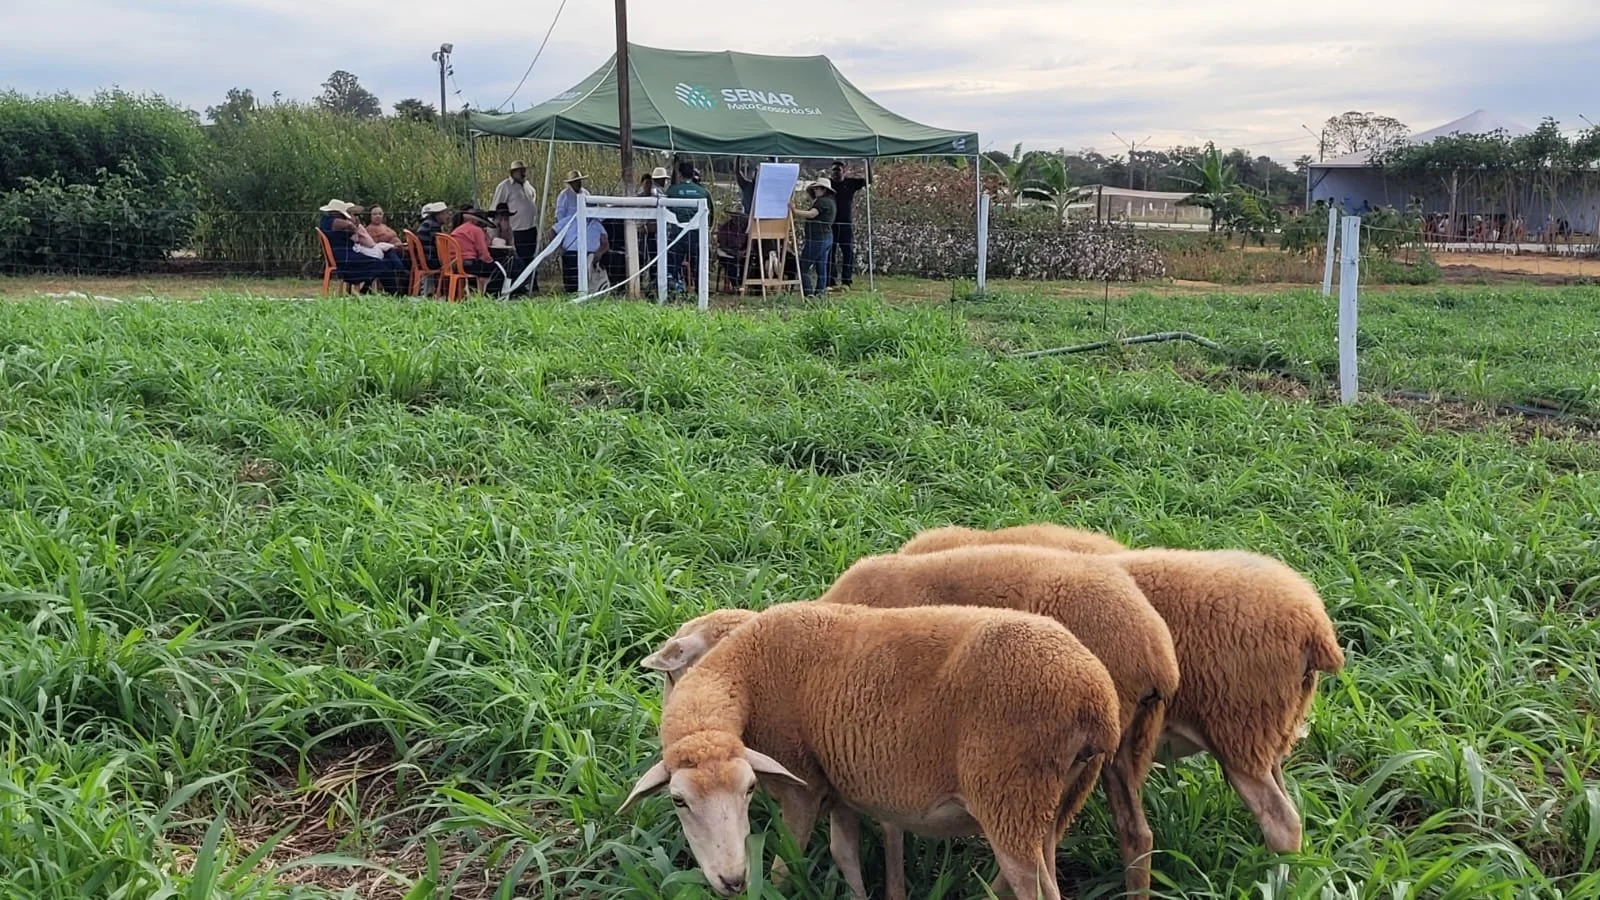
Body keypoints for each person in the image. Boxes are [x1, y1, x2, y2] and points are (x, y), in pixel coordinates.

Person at [318, 199, 405, 293]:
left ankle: (368, 290)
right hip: (346, 261)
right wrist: (354, 226)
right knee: (382, 264)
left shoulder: (326, 221)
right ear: (338, 213)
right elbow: (350, 225)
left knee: (382, 263)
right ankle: (394, 292)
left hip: (345, 256)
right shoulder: (332, 221)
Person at [665, 161, 713, 292]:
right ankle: (700, 291)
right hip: (697, 234)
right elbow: (710, 214)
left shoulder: (672, 190)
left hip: (677, 233)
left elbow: (666, 211)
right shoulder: (703, 192)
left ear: (680, 174)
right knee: (698, 264)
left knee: (674, 263)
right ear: (693, 174)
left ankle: (673, 290)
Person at [827, 160, 870, 288]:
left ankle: (846, 280)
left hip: (846, 223)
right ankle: (831, 279)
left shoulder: (850, 183)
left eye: (838, 170)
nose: (836, 172)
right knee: (831, 252)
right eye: (833, 170)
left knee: (848, 252)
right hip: (831, 223)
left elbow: (868, 181)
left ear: (844, 171)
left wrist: (867, 164)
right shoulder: (828, 184)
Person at [792, 177, 836, 297]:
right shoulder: (830, 202)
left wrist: (795, 211)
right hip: (826, 238)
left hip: (817, 239)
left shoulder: (822, 202)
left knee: (803, 267)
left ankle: (808, 293)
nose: (815, 191)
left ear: (823, 189)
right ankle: (820, 292)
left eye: (816, 188)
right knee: (821, 267)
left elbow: (812, 214)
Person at [451, 204, 509, 295]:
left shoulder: (459, 229)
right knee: (501, 268)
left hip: (454, 263)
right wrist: (492, 262)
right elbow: (484, 254)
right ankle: (492, 293)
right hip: (469, 264)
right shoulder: (476, 231)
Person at [492, 160, 539, 263]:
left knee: (530, 258)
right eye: (520, 171)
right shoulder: (504, 186)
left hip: (531, 228)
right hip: (516, 230)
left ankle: (531, 278)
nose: (523, 173)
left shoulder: (528, 186)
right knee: (520, 258)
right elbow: (496, 208)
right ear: (513, 172)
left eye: (524, 170)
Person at [561, 214, 610, 294]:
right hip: (571, 253)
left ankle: (590, 292)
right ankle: (571, 293)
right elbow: (552, 232)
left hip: (591, 255)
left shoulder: (597, 224)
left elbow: (605, 243)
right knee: (571, 280)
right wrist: (560, 249)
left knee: (589, 278)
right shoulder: (569, 220)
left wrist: (599, 253)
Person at [553, 170, 588, 234]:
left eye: (579, 181)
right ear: (571, 183)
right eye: (576, 181)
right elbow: (559, 214)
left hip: (584, 227)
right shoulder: (564, 195)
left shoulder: (586, 193)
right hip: (568, 227)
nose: (579, 183)